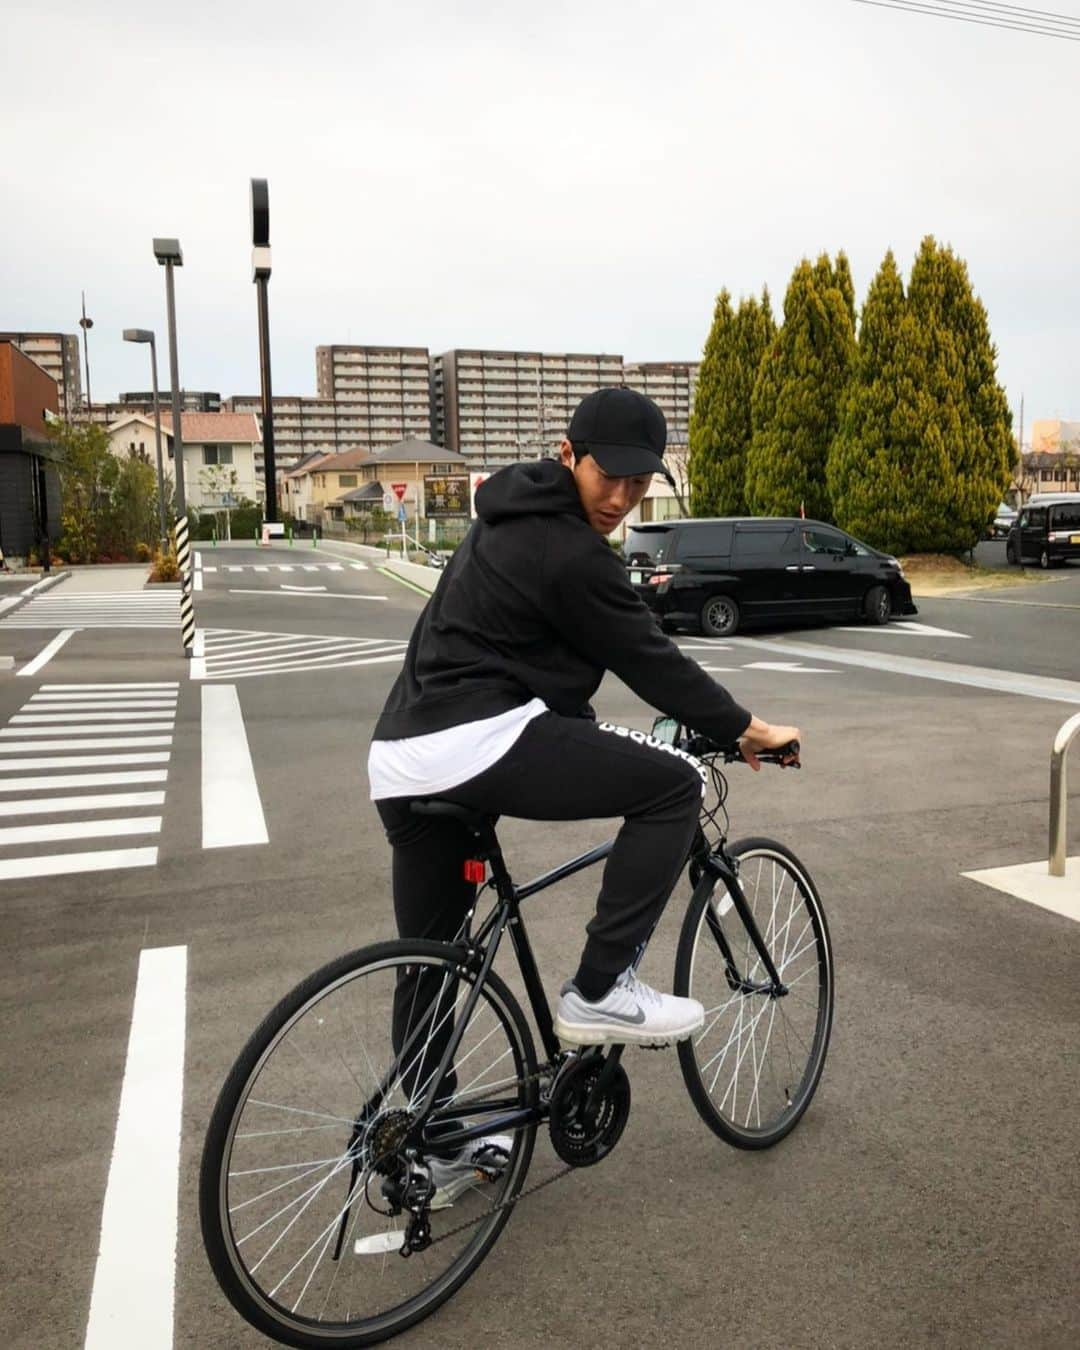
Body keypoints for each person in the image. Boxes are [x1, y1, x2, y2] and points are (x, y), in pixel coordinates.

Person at [368, 387, 800, 1193]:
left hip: (400, 755)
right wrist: (746, 728)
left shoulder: (498, 520)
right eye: (609, 476)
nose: (621, 497)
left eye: (639, 484)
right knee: (673, 782)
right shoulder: (568, 552)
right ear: (569, 455)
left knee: (433, 964)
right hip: (477, 740)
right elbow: (651, 659)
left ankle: (431, 1136)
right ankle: (602, 989)